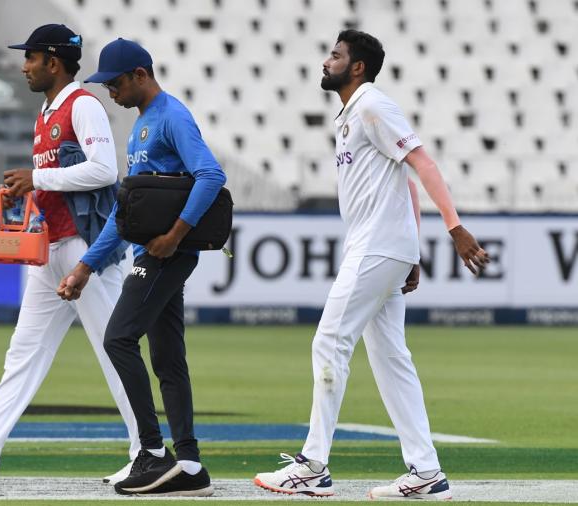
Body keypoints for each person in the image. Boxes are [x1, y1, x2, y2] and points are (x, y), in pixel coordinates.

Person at [254, 29, 489, 501]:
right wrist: (413, 249)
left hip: (376, 246)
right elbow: (401, 177)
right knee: (389, 359)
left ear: (357, 66)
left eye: (335, 55)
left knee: (329, 343)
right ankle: (426, 471)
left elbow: (423, 163)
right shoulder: (349, 115)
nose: (326, 61)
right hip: (385, 246)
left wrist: (455, 228)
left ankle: (312, 467)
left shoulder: (371, 105)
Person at [0, 24, 140, 485]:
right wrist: (26, 195)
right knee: (23, 352)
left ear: (53, 61)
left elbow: (105, 171)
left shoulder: (83, 105)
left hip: (86, 250)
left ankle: (148, 453)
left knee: (114, 352)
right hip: (51, 250)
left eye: (31, 58)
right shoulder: (45, 113)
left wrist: (37, 180)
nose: (24, 66)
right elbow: (59, 180)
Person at [57, 39, 225, 497]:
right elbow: (123, 212)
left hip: (166, 254)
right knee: (168, 357)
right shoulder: (140, 127)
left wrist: (174, 236)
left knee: (118, 338)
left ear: (139, 74)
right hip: (151, 252)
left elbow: (211, 175)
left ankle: (152, 453)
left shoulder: (172, 116)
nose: (110, 91)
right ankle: (189, 467)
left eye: (114, 82)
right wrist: (86, 267)